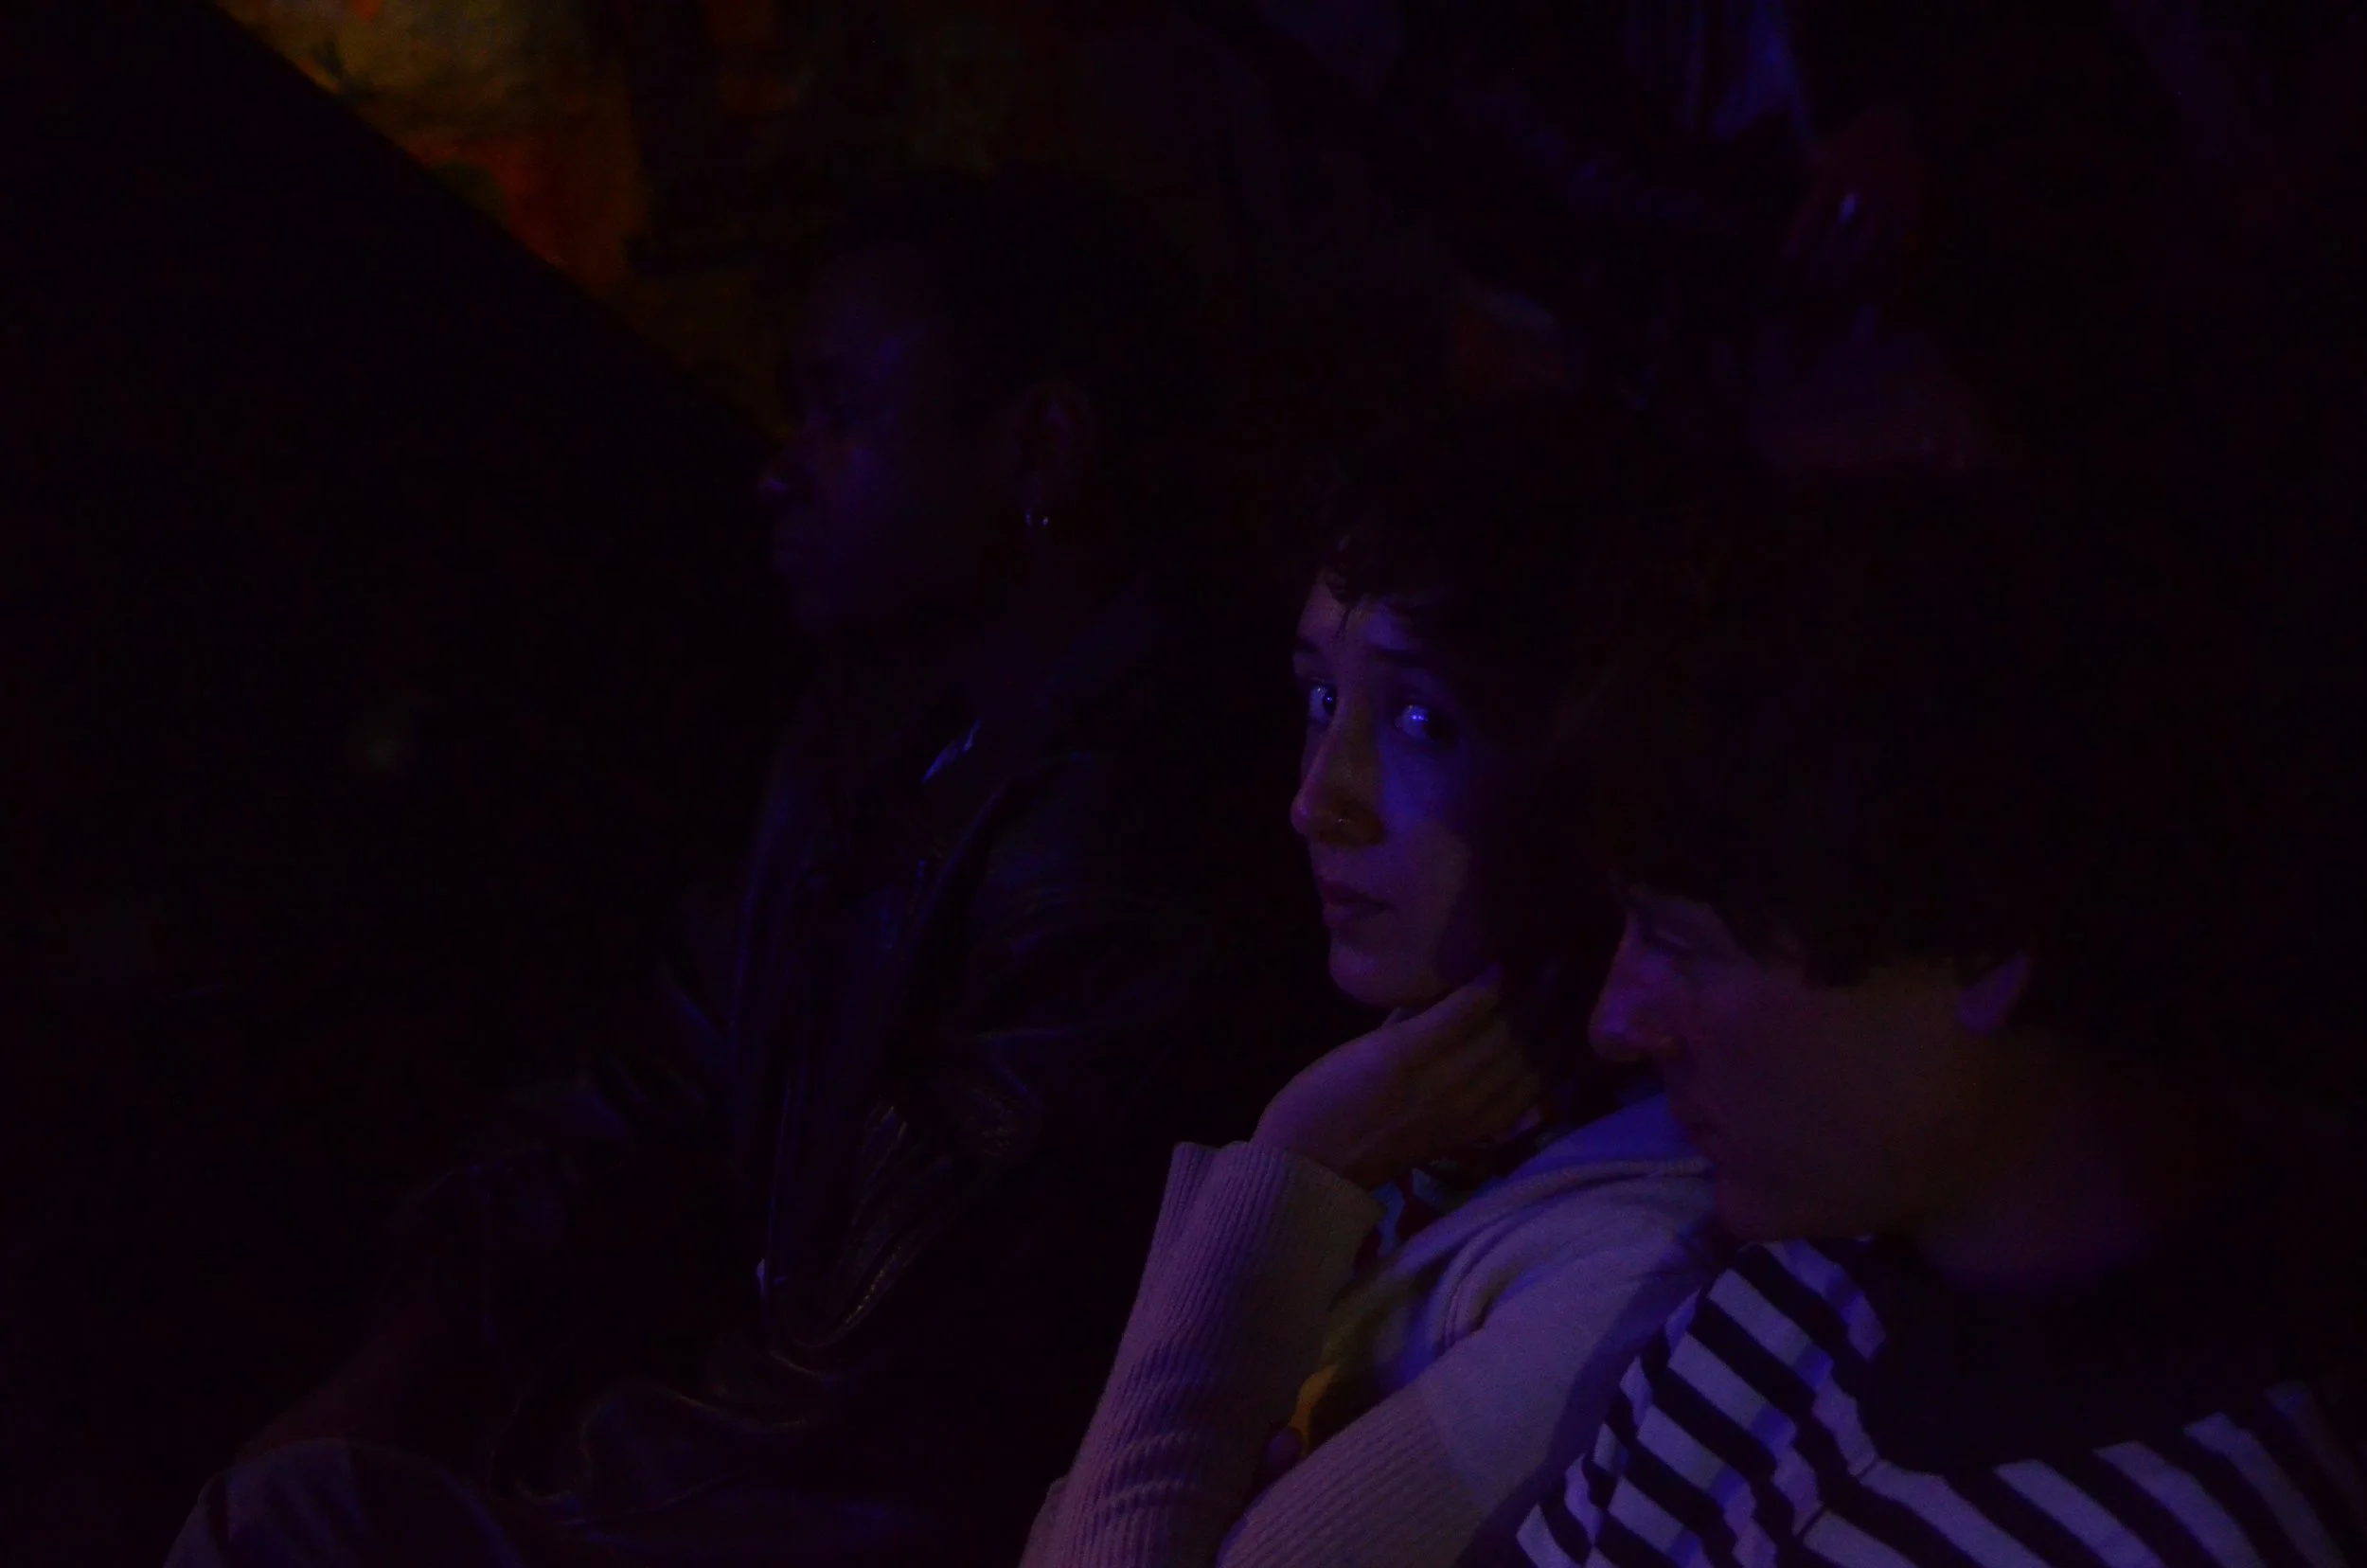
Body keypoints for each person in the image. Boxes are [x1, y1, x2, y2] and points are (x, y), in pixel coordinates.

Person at [166, 167, 1331, 1568]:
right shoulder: (889, 729)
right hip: (752, 1478)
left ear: (1038, 451)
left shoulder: (1128, 846)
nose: (782, 465)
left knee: (291, 1526)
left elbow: (873, 1419)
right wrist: (409, 1358)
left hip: (903, 1528)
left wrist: (501, 1508)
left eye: (840, 410)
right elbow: (652, 1080)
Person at [1515, 475, 2367, 1568]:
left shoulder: (2200, 1529)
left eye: (1681, 945)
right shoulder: (1788, 1288)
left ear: (1981, 944)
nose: (1617, 1023)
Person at [1023, 399, 1731, 1568]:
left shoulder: (1627, 1265)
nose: (1318, 799)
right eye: (1319, 700)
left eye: (1417, 720)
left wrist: (1294, 1159)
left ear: (1592, 774)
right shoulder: (1419, 1126)